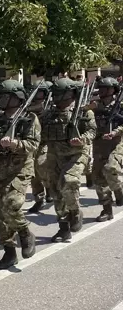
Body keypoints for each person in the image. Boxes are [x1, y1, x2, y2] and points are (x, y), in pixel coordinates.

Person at [0, 80, 40, 268]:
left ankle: (25, 233)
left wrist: (16, 144)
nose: (2, 100)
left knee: (11, 204)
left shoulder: (29, 118)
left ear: (17, 97)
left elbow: (33, 144)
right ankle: (9, 252)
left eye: (6, 96)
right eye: (1, 96)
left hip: (18, 169)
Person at [41, 78, 96, 242]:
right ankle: (63, 228)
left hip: (76, 154)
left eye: (60, 93)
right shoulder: (49, 113)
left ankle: (75, 211)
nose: (56, 97)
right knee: (56, 191)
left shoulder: (83, 111)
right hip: (54, 155)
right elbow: (40, 133)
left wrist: (83, 139)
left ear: (70, 93)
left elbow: (92, 131)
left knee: (68, 181)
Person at [90, 77, 123, 221]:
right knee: (98, 177)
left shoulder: (120, 105)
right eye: (101, 88)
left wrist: (116, 132)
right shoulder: (94, 106)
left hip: (116, 143)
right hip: (99, 144)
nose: (102, 91)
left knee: (110, 168)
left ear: (113, 90)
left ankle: (119, 191)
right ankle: (107, 210)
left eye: (105, 88)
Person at [28, 81, 54, 213]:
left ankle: (50, 189)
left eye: (39, 92)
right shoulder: (29, 105)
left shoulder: (50, 105)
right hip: (32, 143)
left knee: (42, 166)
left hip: (45, 142)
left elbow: (42, 108)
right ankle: (39, 199)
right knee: (32, 173)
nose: (36, 94)